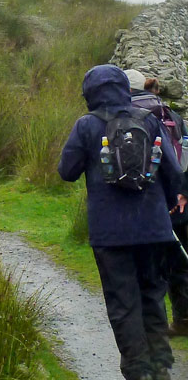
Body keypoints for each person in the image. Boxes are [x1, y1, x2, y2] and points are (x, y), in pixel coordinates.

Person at [58, 64, 186, 380]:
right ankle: (160, 367)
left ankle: (138, 369)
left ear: (90, 92)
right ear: (123, 89)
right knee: (152, 296)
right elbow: (174, 174)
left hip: (110, 234)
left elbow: (67, 171)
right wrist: (167, 209)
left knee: (122, 303)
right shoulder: (150, 121)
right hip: (153, 230)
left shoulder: (86, 125)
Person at [125, 69, 188, 338]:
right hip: (180, 198)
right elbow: (183, 155)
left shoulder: (128, 113)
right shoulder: (172, 115)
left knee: (150, 263)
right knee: (179, 260)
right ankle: (183, 318)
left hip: (147, 198)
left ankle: (152, 323)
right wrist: (182, 191)